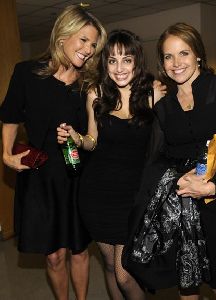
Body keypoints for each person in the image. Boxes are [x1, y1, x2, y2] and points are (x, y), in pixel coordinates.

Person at [122, 22, 216, 300]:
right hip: (179, 203)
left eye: (184, 53)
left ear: (198, 55)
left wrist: (213, 186)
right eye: (168, 56)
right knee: (186, 284)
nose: (176, 63)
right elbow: (154, 157)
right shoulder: (164, 105)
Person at [0, 5, 106, 300]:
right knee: (54, 256)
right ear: (63, 35)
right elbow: (10, 115)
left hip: (77, 177)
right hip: (40, 179)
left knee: (80, 250)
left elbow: (94, 135)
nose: (88, 49)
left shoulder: (89, 84)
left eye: (93, 44)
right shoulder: (27, 73)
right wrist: (6, 154)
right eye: (83, 40)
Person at [57, 29, 166, 300]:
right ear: (105, 63)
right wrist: (77, 137)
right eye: (112, 60)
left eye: (127, 60)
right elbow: (92, 141)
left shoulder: (153, 95)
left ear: (137, 62)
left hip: (135, 196)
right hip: (97, 194)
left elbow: (165, 143)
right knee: (108, 264)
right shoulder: (96, 94)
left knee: (124, 273)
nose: (119, 68)